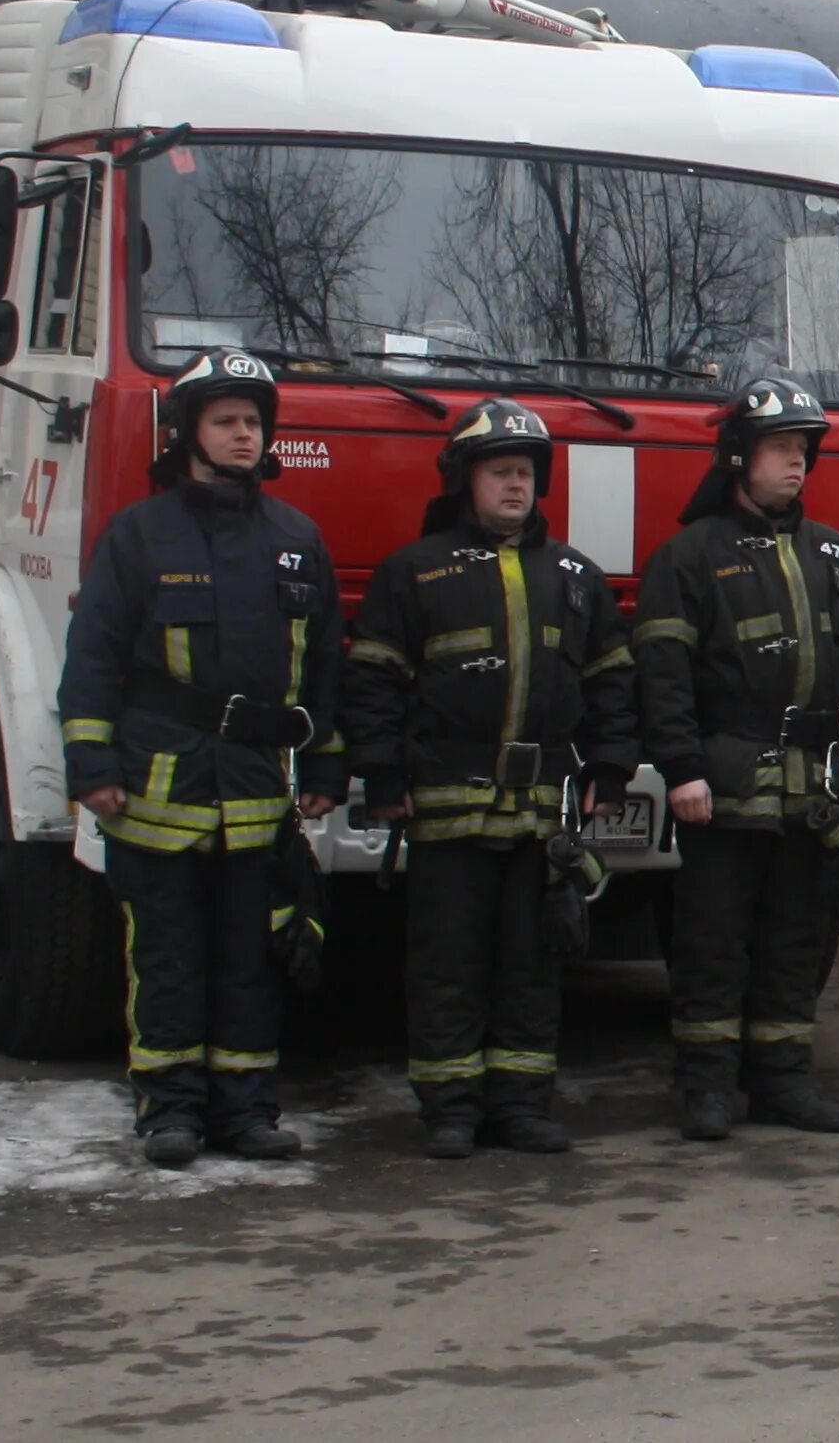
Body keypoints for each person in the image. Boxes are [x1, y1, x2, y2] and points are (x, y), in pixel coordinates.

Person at [58, 349, 346, 1168]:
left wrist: (326, 768)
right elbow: (92, 660)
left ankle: (247, 1110)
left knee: (250, 960)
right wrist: (92, 766)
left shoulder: (297, 539)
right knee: (169, 959)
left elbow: (323, 666)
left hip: (257, 792)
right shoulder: (139, 534)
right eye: (226, 421)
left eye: (253, 422)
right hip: (158, 786)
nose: (243, 435)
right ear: (188, 431)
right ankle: (170, 1112)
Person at [341, 399, 638, 1159]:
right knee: (448, 964)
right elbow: (373, 680)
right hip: (446, 809)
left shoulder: (573, 575)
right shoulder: (414, 571)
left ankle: (522, 1104)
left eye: (527, 473)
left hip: (540, 816)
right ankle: (449, 1106)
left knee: (532, 964)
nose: (516, 486)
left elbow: (610, 679)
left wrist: (609, 763)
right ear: (464, 479)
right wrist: (378, 773)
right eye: (501, 471)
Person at [632, 377, 839, 1142]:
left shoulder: (837, 555)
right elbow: (662, 676)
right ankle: (706, 1088)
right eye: (781, 448)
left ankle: (783, 1080)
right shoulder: (688, 557)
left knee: (799, 941)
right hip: (724, 789)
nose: (796, 464)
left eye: (802, 450)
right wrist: (681, 767)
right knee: (712, 941)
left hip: (817, 790)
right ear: (737, 458)